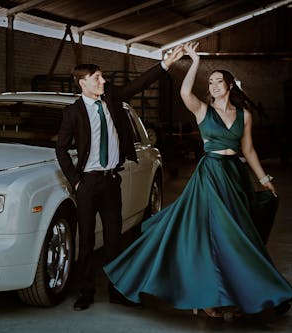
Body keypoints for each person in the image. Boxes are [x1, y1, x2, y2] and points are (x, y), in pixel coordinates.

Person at [103, 41, 292, 318]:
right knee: (216, 235)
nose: (215, 85)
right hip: (211, 175)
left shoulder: (244, 115)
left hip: (235, 175)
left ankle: (233, 295)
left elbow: (248, 150)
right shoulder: (202, 110)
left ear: (230, 85)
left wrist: (264, 178)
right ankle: (208, 298)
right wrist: (194, 62)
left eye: (220, 81)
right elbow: (185, 90)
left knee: (237, 237)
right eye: (211, 82)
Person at [55, 46, 185, 311]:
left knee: (115, 239)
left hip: (112, 180)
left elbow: (137, 84)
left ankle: (117, 291)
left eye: (102, 77)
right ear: (83, 83)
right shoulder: (73, 112)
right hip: (88, 183)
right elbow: (60, 148)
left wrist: (165, 64)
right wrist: (76, 181)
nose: (103, 81)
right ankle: (86, 291)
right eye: (98, 78)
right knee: (87, 240)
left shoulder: (112, 98)